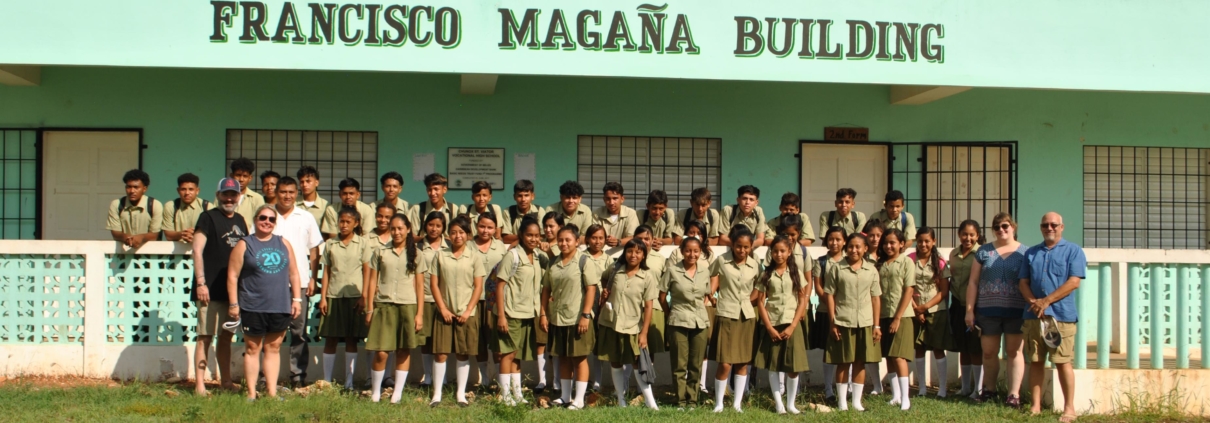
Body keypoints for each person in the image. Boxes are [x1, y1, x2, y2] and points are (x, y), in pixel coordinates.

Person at [226, 205, 303, 400]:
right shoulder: (245, 244)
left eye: (271, 219)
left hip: (280, 305)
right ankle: (251, 393)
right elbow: (233, 276)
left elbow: (294, 273)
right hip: (253, 305)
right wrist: (234, 304)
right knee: (253, 349)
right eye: (263, 218)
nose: (267, 222)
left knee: (274, 348)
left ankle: (271, 392)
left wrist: (296, 299)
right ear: (255, 219)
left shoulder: (283, 243)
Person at [1019, 212, 1086, 423]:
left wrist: (1046, 301)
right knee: (1036, 361)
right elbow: (1023, 282)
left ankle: (1069, 409)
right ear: (1041, 227)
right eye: (1045, 224)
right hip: (1033, 316)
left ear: (1062, 227)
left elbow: (1074, 281)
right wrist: (1034, 303)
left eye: (1054, 224)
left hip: (1061, 317)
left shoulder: (1073, 251)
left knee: (1062, 362)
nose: (1050, 228)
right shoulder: (1031, 253)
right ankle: (1035, 406)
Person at [190, 177, 248, 396]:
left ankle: (226, 382)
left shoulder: (241, 220)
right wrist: (201, 283)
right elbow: (197, 250)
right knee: (205, 336)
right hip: (210, 290)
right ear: (218, 196)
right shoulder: (207, 218)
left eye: (234, 194)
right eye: (226, 194)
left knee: (226, 337)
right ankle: (200, 386)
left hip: (232, 292)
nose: (230, 198)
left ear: (239, 196)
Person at [964, 212, 1029, 407]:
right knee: (990, 352)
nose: (1001, 230)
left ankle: (1013, 395)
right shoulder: (984, 251)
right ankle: (989, 390)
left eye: (1005, 226)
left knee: (1014, 351)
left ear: (1013, 228)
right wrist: (969, 310)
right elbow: (973, 282)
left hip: (1016, 310)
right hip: (988, 310)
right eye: (997, 227)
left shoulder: (1025, 253)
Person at [364, 213, 426, 403]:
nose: (396, 232)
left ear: (408, 230)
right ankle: (376, 391)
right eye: (393, 228)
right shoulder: (380, 252)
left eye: (400, 228)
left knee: (403, 350)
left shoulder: (417, 254)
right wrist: (369, 309)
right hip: (384, 306)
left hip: (407, 306)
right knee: (381, 351)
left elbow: (419, 286)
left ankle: (397, 393)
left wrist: (419, 314)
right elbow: (372, 282)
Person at [270, 176, 323, 387]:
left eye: (291, 192)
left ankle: (298, 376)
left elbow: (314, 249)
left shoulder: (306, 217)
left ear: (297, 193)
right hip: (271, 283)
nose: (287, 196)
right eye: (283, 192)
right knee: (271, 331)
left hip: (299, 282)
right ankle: (267, 376)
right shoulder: (267, 215)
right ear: (277, 192)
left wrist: (312, 277)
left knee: (299, 332)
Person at [428, 216, 486, 407]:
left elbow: (478, 286)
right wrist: (442, 308)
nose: (457, 236)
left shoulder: (475, 256)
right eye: (453, 232)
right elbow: (434, 284)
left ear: (468, 235)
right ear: (448, 235)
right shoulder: (440, 255)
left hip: (466, 313)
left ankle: (460, 394)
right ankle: (437, 395)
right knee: (441, 353)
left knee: (463, 353)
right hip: (445, 312)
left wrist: (469, 310)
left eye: (461, 232)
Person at [597, 239, 660, 410]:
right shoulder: (615, 270)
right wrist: (606, 291)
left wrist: (644, 333)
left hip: (633, 325)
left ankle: (650, 402)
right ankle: (620, 400)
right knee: (615, 362)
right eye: (630, 251)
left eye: (638, 252)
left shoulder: (647, 276)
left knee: (637, 363)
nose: (633, 255)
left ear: (643, 255)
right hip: (612, 322)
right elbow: (604, 280)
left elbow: (648, 307)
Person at [541, 224, 598, 410]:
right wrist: (544, 314)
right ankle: (565, 396)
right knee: (563, 357)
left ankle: (579, 399)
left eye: (568, 240)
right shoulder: (553, 263)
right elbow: (546, 289)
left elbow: (591, 289)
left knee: (579, 358)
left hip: (577, 318)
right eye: (561, 240)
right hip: (557, 317)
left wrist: (586, 315)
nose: (564, 243)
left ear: (577, 241)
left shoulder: (583, 261)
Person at [824, 232, 882, 412]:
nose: (854, 250)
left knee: (860, 361)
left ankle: (856, 401)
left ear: (865, 249)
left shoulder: (871, 269)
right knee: (843, 361)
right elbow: (830, 295)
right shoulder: (836, 268)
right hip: (843, 320)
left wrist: (876, 325)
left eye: (858, 247)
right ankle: (842, 402)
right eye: (850, 246)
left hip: (865, 322)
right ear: (845, 248)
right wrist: (833, 322)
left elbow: (875, 298)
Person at [754, 235, 810, 415]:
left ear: (789, 252)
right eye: (775, 251)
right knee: (774, 364)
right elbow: (761, 302)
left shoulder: (796, 273)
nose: (779, 254)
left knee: (793, 366)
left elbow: (802, 301)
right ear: (771, 253)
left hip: (791, 324)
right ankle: (779, 404)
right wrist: (769, 327)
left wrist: (793, 326)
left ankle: (791, 404)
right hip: (773, 323)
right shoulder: (766, 274)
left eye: (782, 251)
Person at [494, 217, 546, 406]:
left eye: (536, 235)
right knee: (507, 354)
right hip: (511, 312)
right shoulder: (513, 255)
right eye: (529, 235)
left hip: (528, 313)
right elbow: (500, 286)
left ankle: (517, 394)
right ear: (521, 236)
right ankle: (505, 395)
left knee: (517, 355)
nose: (533, 239)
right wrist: (501, 315)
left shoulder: (539, 256)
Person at [318, 207, 372, 389]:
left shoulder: (363, 244)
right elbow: (326, 272)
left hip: (354, 296)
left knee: (351, 338)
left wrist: (364, 296)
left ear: (356, 223)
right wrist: (323, 297)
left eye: (348, 222)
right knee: (330, 338)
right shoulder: (330, 244)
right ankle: (326, 380)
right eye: (341, 221)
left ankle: (349, 382)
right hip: (334, 294)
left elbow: (367, 271)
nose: (344, 225)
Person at [708, 226, 759, 413]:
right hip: (726, 313)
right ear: (732, 245)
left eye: (746, 247)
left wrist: (751, 300)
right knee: (725, 362)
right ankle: (719, 403)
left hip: (746, 316)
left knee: (743, 361)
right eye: (738, 246)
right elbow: (710, 275)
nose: (742, 250)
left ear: (751, 246)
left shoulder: (754, 265)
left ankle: (737, 403)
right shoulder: (722, 260)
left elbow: (760, 285)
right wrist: (711, 294)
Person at [661, 235, 711, 410]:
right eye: (688, 250)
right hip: (678, 320)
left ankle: (692, 400)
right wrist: (670, 314)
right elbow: (662, 296)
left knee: (696, 363)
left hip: (700, 322)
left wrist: (699, 309)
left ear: (700, 252)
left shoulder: (705, 270)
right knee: (679, 364)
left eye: (696, 251)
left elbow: (707, 294)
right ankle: (680, 400)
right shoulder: (672, 270)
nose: (692, 254)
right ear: (682, 251)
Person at [875, 228, 916, 410]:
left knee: (899, 356)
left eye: (892, 242)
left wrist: (898, 317)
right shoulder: (880, 264)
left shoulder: (906, 262)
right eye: (885, 243)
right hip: (884, 314)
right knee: (889, 357)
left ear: (901, 244)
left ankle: (906, 398)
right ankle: (896, 395)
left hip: (902, 316)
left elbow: (909, 289)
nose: (888, 246)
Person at [910, 227, 951, 397]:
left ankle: (941, 388)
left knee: (938, 348)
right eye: (920, 241)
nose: (923, 244)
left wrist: (925, 307)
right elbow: (907, 288)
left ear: (933, 242)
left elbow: (943, 291)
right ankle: (922, 387)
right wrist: (916, 309)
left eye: (927, 241)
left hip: (936, 311)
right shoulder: (910, 260)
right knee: (919, 348)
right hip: (914, 310)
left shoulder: (940, 262)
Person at [949, 219, 986, 398]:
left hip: (975, 306)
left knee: (975, 347)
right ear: (959, 235)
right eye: (964, 234)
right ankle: (965, 387)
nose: (968, 238)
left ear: (977, 236)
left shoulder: (982, 253)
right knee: (962, 347)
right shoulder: (953, 254)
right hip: (957, 305)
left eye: (972, 235)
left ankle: (977, 389)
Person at [472, 213, 508, 388]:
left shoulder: (500, 246)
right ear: (476, 225)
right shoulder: (468, 246)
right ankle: (484, 378)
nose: (485, 230)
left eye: (490, 227)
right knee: (479, 340)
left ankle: (500, 381)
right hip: (474, 300)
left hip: (494, 301)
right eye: (482, 226)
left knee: (497, 342)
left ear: (495, 229)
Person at [813, 226, 848, 402]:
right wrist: (830, 303)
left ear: (844, 241)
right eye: (831, 239)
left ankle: (845, 387)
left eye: (838, 239)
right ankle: (828, 389)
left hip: (847, 314)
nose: (834, 243)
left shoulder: (850, 261)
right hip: (826, 312)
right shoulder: (820, 262)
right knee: (828, 351)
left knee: (846, 351)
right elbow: (818, 287)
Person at [416, 211, 450, 388]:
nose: (434, 229)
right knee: (426, 341)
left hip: (445, 302)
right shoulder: (418, 247)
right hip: (425, 298)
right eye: (431, 225)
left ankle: (441, 377)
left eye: (438, 225)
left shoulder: (450, 246)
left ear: (443, 227)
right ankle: (428, 376)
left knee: (441, 342)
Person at [581, 224, 614, 391]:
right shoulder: (581, 257)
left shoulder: (608, 259)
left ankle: (597, 382)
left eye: (601, 238)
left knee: (599, 347)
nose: (597, 241)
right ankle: (581, 380)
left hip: (601, 307)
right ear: (587, 239)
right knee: (584, 345)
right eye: (594, 238)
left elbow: (610, 282)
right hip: (585, 307)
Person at [107, 169, 162, 248]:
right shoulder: (117, 204)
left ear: (144, 189)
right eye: (129, 187)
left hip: (150, 255)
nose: (132, 191)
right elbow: (115, 233)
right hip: (124, 254)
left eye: (136, 187)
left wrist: (141, 237)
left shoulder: (154, 205)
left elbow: (154, 235)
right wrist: (127, 238)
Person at [164, 173, 210, 243]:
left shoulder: (207, 207)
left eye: (191, 189)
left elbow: (213, 233)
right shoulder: (171, 206)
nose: (187, 193)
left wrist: (195, 235)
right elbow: (168, 235)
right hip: (176, 252)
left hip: (201, 252)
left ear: (197, 191)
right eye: (183, 189)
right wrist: (183, 234)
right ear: (178, 190)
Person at [220, 158, 266, 228]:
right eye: (238, 175)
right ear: (231, 176)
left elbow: (262, 222)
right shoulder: (222, 196)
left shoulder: (257, 199)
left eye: (245, 176)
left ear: (250, 178)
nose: (241, 179)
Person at [593, 182, 640, 248]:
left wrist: (618, 242)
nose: (611, 202)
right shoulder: (596, 213)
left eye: (615, 198)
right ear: (604, 199)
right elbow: (592, 236)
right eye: (608, 199)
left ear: (622, 199)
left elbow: (634, 237)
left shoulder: (630, 213)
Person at [501, 179, 545, 245]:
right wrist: (530, 237)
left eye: (526, 195)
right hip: (515, 249)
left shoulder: (539, 211)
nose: (523, 199)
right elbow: (506, 238)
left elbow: (543, 236)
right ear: (514, 197)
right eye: (519, 196)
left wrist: (519, 239)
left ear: (532, 196)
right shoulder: (508, 212)